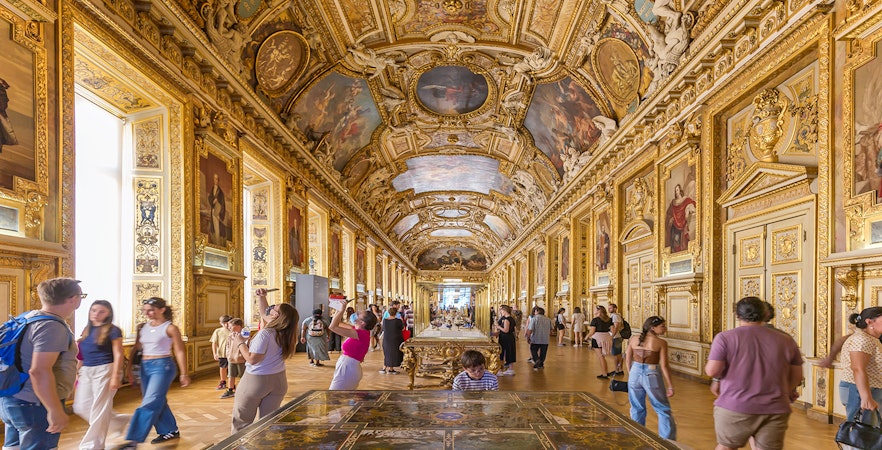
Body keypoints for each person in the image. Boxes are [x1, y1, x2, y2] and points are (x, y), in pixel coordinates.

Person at [705, 296, 803, 450]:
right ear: (765, 314)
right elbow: (797, 377)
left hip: (735, 405)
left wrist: (718, 380)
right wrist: (784, 392)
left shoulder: (725, 338)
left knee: (726, 447)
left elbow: (712, 371)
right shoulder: (786, 340)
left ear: (737, 315)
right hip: (775, 407)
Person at [0, 277, 81, 450]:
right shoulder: (51, 326)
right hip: (35, 403)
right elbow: (39, 371)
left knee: (12, 447)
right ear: (74, 298)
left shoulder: (27, 318)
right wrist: (54, 409)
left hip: (12, 397)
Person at [117, 297, 190, 448]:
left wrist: (184, 373)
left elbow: (180, 351)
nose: (147, 313)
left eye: (151, 310)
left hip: (163, 367)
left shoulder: (170, 328)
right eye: (145, 311)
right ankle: (169, 430)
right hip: (145, 367)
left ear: (162, 309)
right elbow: (136, 348)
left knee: (150, 401)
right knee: (157, 400)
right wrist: (128, 369)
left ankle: (133, 440)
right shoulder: (142, 327)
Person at [230, 288, 299, 432]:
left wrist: (240, 342)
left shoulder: (266, 333)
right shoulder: (288, 333)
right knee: (268, 424)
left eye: (275, 308)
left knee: (241, 423)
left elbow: (252, 359)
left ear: (276, 316)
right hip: (279, 380)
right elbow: (264, 313)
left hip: (256, 380)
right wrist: (262, 297)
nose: (272, 308)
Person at [74, 299, 127, 450]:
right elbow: (82, 355)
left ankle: (92, 446)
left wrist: (116, 376)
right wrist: (77, 373)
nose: (96, 314)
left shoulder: (113, 330)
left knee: (99, 408)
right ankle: (117, 421)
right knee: (81, 406)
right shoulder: (86, 330)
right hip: (87, 371)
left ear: (108, 313)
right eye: (94, 310)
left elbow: (118, 353)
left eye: (101, 311)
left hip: (105, 369)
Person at [625, 316, 676, 440]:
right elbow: (664, 365)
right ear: (653, 328)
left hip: (635, 372)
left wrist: (631, 373)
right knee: (662, 408)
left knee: (636, 407)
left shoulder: (634, 339)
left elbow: (627, 358)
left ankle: (637, 436)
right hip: (652, 373)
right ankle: (667, 440)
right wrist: (670, 385)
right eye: (662, 326)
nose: (665, 328)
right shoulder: (661, 343)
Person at [838, 306, 882, 431]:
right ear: (869, 322)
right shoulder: (862, 339)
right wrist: (866, 396)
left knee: (868, 433)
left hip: (867, 389)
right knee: (861, 433)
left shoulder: (871, 339)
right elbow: (858, 368)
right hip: (858, 390)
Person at [328, 299, 377, 389]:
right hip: (348, 366)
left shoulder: (360, 334)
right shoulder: (357, 330)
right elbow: (337, 323)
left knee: (334, 396)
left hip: (348, 368)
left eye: (358, 315)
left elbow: (332, 327)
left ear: (362, 322)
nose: (355, 315)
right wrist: (338, 309)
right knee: (343, 397)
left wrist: (342, 310)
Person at [665, 183, 696, 253]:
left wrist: (688, 209)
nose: (676, 192)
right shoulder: (673, 202)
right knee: (675, 239)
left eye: (677, 190)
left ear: (680, 191)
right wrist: (670, 219)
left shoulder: (685, 199)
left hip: (682, 222)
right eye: (675, 191)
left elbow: (692, 203)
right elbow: (668, 213)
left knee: (680, 240)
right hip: (674, 224)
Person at [587, 305, 615, 379]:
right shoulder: (609, 319)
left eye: (595, 309)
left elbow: (592, 331)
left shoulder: (595, 320)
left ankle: (604, 373)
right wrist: (609, 337)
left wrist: (586, 337)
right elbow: (613, 330)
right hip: (606, 338)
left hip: (597, 339)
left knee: (600, 357)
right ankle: (605, 371)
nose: (593, 310)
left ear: (599, 311)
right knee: (603, 357)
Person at [221, 318, 246, 399]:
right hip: (231, 359)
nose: (229, 328)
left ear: (238, 326)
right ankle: (230, 390)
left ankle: (244, 390)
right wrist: (228, 355)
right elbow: (227, 346)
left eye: (231, 326)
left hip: (241, 359)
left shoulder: (245, 335)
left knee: (243, 376)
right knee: (231, 375)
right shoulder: (230, 335)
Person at [210, 315, 232, 391]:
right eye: (224, 323)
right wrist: (214, 353)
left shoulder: (233, 330)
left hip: (231, 354)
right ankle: (223, 382)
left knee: (231, 369)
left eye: (228, 323)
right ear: (221, 323)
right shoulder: (218, 331)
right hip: (222, 353)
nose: (226, 325)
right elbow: (214, 343)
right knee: (223, 368)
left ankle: (231, 383)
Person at [493, 305, 517, 376]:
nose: (501, 312)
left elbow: (506, 330)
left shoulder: (507, 319)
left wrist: (498, 327)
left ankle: (500, 370)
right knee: (510, 352)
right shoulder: (511, 318)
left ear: (504, 311)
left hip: (505, 337)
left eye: (501, 311)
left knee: (502, 352)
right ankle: (510, 369)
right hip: (510, 337)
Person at [380, 307, 405, 374]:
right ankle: (390, 369)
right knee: (394, 353)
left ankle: (385, 368)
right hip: (396, 339)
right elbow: (403, 329)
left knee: (387, 353)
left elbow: (383, 328)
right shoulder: (398, 321)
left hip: (387, 339)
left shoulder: (385, 320)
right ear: (396, 313)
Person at [208, 173, 226, 246]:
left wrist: (217, 201)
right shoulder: (213, 188)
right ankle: (215, 241)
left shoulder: (220, 192)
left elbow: (222, 203)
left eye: (216, 179)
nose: (215, 180)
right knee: (214, 226)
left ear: (218, 180)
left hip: (217, 212)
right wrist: (213, 201)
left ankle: (218, 242)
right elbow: (210, 197)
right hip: (213, 210)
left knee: (217, 226)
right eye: (214, 178)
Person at [608, 303, 625, 375]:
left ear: (615, 309)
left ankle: (617, 370)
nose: (609, 309)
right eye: (608, 308)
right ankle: (619, 369)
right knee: (618, 354)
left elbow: (616, 327)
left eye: (610, 308)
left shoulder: (615, 316)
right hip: (617, 337)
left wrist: (612, 336)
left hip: (616, 337)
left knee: (616, 355)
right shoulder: (616, 316)